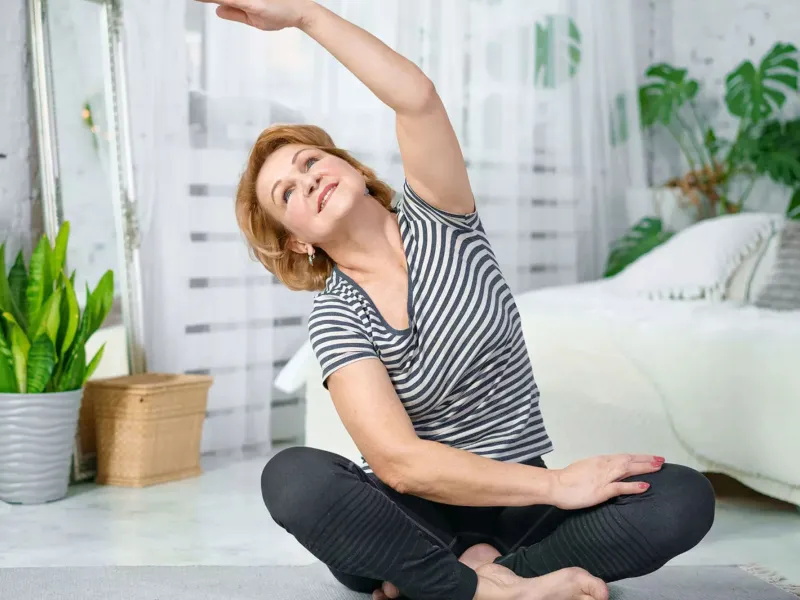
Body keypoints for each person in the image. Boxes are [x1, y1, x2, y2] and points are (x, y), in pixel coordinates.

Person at [201, 1, 716, 598]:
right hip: (413, 517)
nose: (307, 178)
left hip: (519, 503)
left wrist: (305, 17)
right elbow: (399, 464)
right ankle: (491, 589)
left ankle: (463, 582)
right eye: (286, 191)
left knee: (681, 497)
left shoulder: (441, 217)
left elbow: (415, 97)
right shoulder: (337, 315)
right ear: (296, 240)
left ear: (349, 167)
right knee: (291, 477)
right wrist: (562, 486)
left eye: (311, 161)